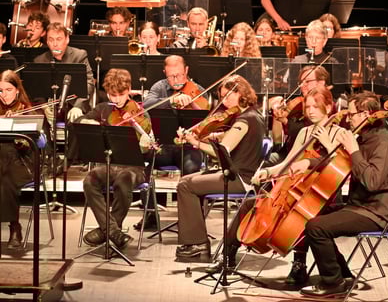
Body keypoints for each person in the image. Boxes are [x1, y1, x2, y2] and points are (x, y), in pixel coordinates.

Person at [295, 91, 388, 297]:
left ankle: (333, 282)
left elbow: (372, 182)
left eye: (351, 114)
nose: (348, 119)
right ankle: (344, 275)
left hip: (376, 212)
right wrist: (307, 163)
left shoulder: (384, 142)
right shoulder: (362, 137)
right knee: (310, 215)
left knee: (317, 227)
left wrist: (354, 151)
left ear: (365, 114)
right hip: (358, 205)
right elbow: (339, 162)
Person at [246, 86, 345, 285]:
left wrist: (327, 143)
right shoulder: (304, 132)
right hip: (300, 187)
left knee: (305, 215)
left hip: (326, 192)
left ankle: (300, 263)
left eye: (316, 107)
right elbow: (288, 163)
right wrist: (268, 172)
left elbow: (339, 165)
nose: (310, 111)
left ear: (328, 107)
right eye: (308, 107)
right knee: (273, 205)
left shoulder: (339, 132)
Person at [174, 74, 265, 261]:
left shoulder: (243, 120)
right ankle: (196, 240)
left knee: (185, 185)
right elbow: (231, 138)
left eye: (228, 96)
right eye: (222, 97)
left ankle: (197, 244)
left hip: (239, 178)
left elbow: (223, 152)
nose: (224, 102)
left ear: (240, 93)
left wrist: (196, 142)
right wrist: (210, 136)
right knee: (186, 180)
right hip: (241, 174)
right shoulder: (254, 115)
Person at [76, 68, 156, 249]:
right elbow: (81, 120)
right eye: (113, 95)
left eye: (121, 94)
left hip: (135, 168)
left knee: (123, 180)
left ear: (129, 90)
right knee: (89, 180)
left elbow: (148, 152)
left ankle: (107, 230)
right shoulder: (103, 109)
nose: (117, 99)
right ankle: (114, 232)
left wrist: (145, 145)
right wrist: (90, 122)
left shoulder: (141, 113)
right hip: (109, 164)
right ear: (107, 93)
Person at [137, 55, 209, 230]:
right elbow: (147, 105)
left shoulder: (198, 90)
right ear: (165, 73)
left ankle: (192, 218)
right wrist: (171, 100)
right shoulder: (159, 87)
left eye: (179, 75)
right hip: (164, 146)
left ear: (186, 70)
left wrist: (192, 104)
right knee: (142, 163)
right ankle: (150, 213)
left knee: (192, 169)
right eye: (171, 76)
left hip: (189, 147)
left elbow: (206, 119)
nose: (176, 80)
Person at [0, 69, 41, 249]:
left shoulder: (27, 111)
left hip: (23, 162)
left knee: (5, 177)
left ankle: (14, 226)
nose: (4, 95)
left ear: (17, 90)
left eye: (8, 90)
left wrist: (18, 126)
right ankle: (14, 227)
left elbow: (34, 146)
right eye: (0, 90)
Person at [268, 64, 331, 166]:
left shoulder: (326, 105)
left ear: (321, 83)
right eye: (301, 82)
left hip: (306, 156)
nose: (302, 85)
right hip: (288, 151)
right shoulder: (299, 103)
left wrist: (285, 121)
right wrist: (280, 116)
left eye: (307, 81)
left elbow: (307, 131)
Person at [33, 22, 96, 121]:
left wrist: (78, 106)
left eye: (59, 39)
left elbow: (89, 83)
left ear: (67, 39)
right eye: (51, 39)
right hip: (50, 106)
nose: (55, 44)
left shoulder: (79, 55)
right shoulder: (39, 60)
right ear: (47, 42)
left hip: (74, 105)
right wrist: (44, 107)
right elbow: (37, 89)